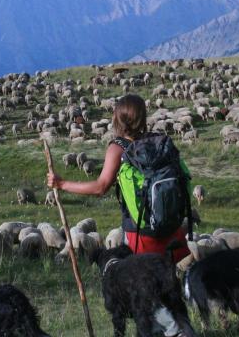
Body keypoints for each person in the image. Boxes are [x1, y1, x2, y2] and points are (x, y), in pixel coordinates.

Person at [47, 94, 191, 337]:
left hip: (141, 233)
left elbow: (101, 186)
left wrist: (62, 184)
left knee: (146, 291)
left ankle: (172, 331)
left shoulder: (119, 147)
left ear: (118, 118)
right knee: (167, 284)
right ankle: (183, 328)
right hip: (171, 227)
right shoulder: (160, 141)